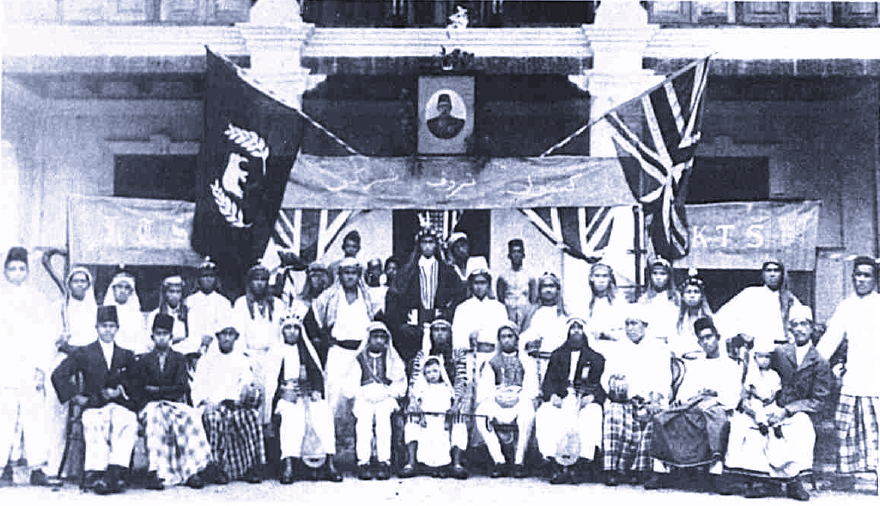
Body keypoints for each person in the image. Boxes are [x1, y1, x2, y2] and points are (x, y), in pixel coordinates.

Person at [725, 305, 832, 501]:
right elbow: (761, 373)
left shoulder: (820, 361)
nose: (800, 329)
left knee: (801, 427)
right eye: (795, 324)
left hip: (797, 411)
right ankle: (762, 479)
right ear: (789, 328)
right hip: (771, 405)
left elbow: (819, 400)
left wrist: (788, 410)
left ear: (812, 328)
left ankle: (794, 481)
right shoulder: (780, 353)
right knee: (748, 424)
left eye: (804, 324)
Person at [643, 316, 742, 493]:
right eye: (702, 339)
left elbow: (733, 394)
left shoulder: (732, 365)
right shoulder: (697, 364)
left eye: (709, 337)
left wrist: (713, 399)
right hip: (694, 406)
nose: (706, 342)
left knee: (716, 418)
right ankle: (660, 472)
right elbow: (686, 391)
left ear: (717, 337)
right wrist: (692, 397)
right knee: (662, 418)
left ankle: (715, 474)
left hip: (716, 406)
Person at [51, 306, 138, 495]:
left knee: (127, 420)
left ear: (117, 328)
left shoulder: (126, 355)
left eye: (112, 326)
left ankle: (116, 471)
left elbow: (137, 382)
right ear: (96, 327)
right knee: (94, 421)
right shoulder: (84, 352)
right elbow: (59, 375)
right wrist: (75, 396)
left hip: (118, 405)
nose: (108, 330)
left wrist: (121, 391)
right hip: (94, 404)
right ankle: (96, 472)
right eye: (104, 326)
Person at [816, 256, 880, 477]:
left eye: (867, 275)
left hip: (877, 379)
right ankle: (850, 478)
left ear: (875, 279)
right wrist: (812, 364)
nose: (862, 279)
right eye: (858, 275)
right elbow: (829, 341)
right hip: (854, 379)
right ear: (852, 277)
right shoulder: (846, 306)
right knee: (846, 431)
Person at [130, 314, 210, 490]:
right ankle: (156, 472)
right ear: (152, 337)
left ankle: (190, 471)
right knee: (154, 418)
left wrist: (158, 390)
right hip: (150, 405)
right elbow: (139, 388)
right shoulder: (143, 360)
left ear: (171, 337)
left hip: (173, 404)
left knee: (190, 416)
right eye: (158, 334)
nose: (162, 337)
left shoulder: (179, 359)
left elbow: (181, 387)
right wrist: (159, 392)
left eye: (165, 334)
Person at [0, 246, 54, 487]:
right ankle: (2, 467)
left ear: (28, 272)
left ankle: (37, 468)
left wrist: (41, 368)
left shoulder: (38, 299)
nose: (17, 273)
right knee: (4, 417)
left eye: (22, 269)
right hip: (4, 365)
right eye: (12, 269)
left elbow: (45, 335)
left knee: (34, 418)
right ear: (5, 271)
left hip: (30, 366)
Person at [600, 305, 671, 486]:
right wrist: (615, 385)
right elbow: (606, 376)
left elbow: (663, 377)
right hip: (623, 399)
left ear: (645, 325)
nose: (630, 328)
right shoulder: (617, 348)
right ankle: (612, 469)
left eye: (634, 323)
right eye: (627, 324)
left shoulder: (659, 347)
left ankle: (643, 470)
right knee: (613, 414)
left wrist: (654, 399)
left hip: (650, 399)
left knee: (657, 416)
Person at [190, 321, 265, 484]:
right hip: (213, 405)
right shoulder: (206, 360)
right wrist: (206, 402)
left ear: (235, 338)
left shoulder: (241, 359)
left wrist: (242, 397)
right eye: (224, 334)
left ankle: (252, 466)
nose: (227, 338)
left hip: (235, 404)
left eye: (231, 334)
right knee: (215, 420)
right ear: (217, 337)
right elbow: (197, 387)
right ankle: (217, 467)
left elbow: (246, 382)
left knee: (250, 416)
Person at [272, 312, 341, 484]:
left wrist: (316, 390)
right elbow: (270, 382)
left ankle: (329, 463)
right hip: (286, 395)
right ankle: (288, 465)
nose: (292, 332)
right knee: (291, 416)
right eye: (288, 328)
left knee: (323, 411)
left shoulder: (306, 350)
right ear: (282, 331)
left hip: (307, 393)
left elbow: (316, 374)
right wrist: (282, 391)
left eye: (296, 328)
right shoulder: (276, 351)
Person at [535, 317, 606, 485]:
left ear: (584, 332)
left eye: (579, 328)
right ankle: (554, 463)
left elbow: (601, 385)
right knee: (545, 412)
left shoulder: (596, 358)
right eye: (572, 328)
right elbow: (548, 382)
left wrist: (593, 397)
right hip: (562, 397)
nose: (575, 331)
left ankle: (580, 464)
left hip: (584, 399)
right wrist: (552, 395)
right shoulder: (557, 355)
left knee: (593, 413)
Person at [386, 224, 466, 370]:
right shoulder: (407, 272)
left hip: (440, 326)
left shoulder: (447, 271)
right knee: (415, 364)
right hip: (414, 327)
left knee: (440, 366)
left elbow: (460, 296)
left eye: (431, 242)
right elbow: (393, 297)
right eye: (424, 242)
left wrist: (446, 313)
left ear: (436, 245)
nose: (428, 246)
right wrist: (403, 321)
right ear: (419, 245)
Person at [313, 257, 382, 423]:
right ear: (340, 275)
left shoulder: (368, 298)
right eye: (346, 273)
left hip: (362, 353)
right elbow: (315, 320)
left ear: (359, 275)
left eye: (354, 273)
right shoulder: (329, 297)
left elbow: (377, 321)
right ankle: (333, 444)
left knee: (361, 398)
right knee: (334, 397)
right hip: (338, 352)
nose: (350, 277)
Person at [401, 319, 470, 479]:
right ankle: (411, 463)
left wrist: (456, 404)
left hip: (449, 400)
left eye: (443, 330)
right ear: (431, 334)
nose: (439, 334)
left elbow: (461, 380)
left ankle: (456, 464)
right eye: (436, 330)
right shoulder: (422, 354)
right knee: (412, 417)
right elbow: (414, 381)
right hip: (425, 400)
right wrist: (414, 402)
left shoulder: (457, 354)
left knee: (459, 418)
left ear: (449, 333)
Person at [49, 265, 98, 480]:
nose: (79, 285)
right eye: (75, 281)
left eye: (83, 281)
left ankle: (84, 467)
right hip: (66, 360)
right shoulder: (59, 307)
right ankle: (55, 467)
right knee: (59, 412)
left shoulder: (95, 308)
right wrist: (69, 348)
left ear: (89, 285)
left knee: (88, 410)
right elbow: (54, 338)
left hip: (89, 361)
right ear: (69, 284)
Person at [343, 322, 407, 481]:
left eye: (382, 337)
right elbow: (350, 385)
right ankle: (363, 462)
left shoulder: (391, 356)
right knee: (363, 424)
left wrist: (388, 393)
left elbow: (400, 381)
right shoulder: (359, 358)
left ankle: (383, 462)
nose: (379, 340)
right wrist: (362, 394)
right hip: (364, 396)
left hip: (385, 396)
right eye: (375, 336)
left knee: (383, 423)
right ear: (369, 338)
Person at [475, 322, 539, 479]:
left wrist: (517, 398)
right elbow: (485, 388)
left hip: (519, 400)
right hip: (497, 401)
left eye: (510, 336)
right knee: (481, 412)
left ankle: (519, 462)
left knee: (528, 412)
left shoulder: (527, 361)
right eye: (503, 337)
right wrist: (497, 398)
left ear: (516, 339)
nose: (506, 340)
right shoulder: (491, 362)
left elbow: (532, 388)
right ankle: (499, 461)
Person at [231, 264, 285, 428]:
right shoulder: (241, 304)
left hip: (272, 356)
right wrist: (247, 359)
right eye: (256, 280)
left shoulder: (277, 304)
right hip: (249, 355)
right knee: (250, 388)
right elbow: (238, 335)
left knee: (269, 389)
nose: (260, 284)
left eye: (263, 280)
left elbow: (280, 335)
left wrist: (273, 357)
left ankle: (266, 427)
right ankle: (250, 428)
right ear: (250, 282)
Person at [715, 260, 804, 353]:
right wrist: (741, 333)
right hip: (759, 351)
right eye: (768, 270)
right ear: (763, 274)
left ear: (782, 274)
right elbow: (722, 317)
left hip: (783, 350)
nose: (772, 274)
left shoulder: (790, 299)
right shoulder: (750, 294)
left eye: (776, 270)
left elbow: (802, 324)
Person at [451, 267, 509, 381]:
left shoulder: (498, 308)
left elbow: (504, 333)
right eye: (476, 283)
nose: (479, 286)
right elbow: (457, 335)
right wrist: (468, 340)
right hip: (471, 357)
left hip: (493, 356)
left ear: (488, 285)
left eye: (483, 282)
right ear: (471, 285)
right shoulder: (462, 308)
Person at [520, 272, 569, 383]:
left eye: (551, 286)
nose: (548, 290)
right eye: (544, 286)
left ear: (557, 289)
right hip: (536, 363)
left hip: (559, 364)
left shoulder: (565, 313)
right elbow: (522, 339)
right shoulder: (532, 313)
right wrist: (529, 344)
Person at [187, 258, 232, 357]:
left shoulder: (224, 303)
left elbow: (227, 329)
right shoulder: (189, 301)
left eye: (211, 276)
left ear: (216, 278)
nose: (208, 279)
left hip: (217, 350)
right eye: (204, 276)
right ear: (199, 279)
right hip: (193, 349)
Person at [147, 274, 199, 359]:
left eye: (178, 292)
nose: (175, 295)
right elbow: (150, 342)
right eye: (171, 291)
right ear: (165, 293)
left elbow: (194, 342)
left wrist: (170, 347)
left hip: (184, 358)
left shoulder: (190, 314)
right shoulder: (155, 315)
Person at [669, 269, 715, 359]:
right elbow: (672, 345)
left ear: (702, 296)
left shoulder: (711, 320)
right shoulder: (675, 320)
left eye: (696, 292)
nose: (692, 295)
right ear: (682, 296)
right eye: (688, 292)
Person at [102, 267, 148, 355]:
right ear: (113, 289)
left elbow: (141, 342)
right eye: (119, 286)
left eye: (127, 288)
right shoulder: (104, 313)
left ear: (131, 292)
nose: (122, 290)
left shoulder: (137, 316)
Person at [741, 341, 783, 436]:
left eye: (767, 357)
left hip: (770, 400)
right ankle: (762, 424)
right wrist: (760, 397)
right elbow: (751, 388)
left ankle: (777, 425)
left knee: (776, 409)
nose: (764, 360)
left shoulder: (773, 374)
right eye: (760, 357)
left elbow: (776, 389)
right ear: (755, 358)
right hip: (758, 399)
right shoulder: (753, 374)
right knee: (757, 408)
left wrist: (771, 398)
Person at [496, 239, 536, 329]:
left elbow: (533, 300)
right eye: (514, 252)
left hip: (525, 314)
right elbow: (500, 300)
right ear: (509, 255)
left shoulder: (530, 277)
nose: (516, 255)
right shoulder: (503, 277)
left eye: (519, 251)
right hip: (508, 313)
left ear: (523, 255)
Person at [638, 258, 679, 344]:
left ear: (669, 276)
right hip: (650, 340)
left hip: (672, 340)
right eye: (655, 273)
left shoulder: (676, 298)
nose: (658, 277)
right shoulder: (644, 299)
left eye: (663, 274)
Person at [584, 262, 626, 345]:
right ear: (591, 278)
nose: (601, 280)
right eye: (597, 276)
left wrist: (607, 334)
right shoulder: (585, 302)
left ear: (610, 279)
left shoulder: (618, 302)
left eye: (605, 276)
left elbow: (623, 329)